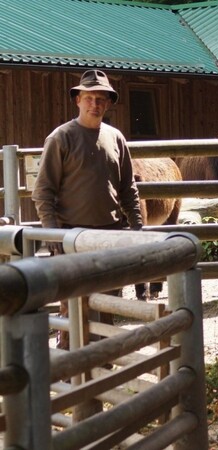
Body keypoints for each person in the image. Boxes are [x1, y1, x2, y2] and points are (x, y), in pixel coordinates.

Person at [32, 69, 143, 349]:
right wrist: (54, 236)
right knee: (74, 308)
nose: (95, 104)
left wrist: (137, 229)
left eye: (101, 99)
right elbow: (43, 191)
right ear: (78, 100)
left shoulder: (116, 138)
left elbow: (128, 188)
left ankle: (102, 371)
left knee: (107, 305)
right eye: (90, 97)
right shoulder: (61, 138)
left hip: (111, 235)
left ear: (108, 103)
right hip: (72, 236)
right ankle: (71, 374)